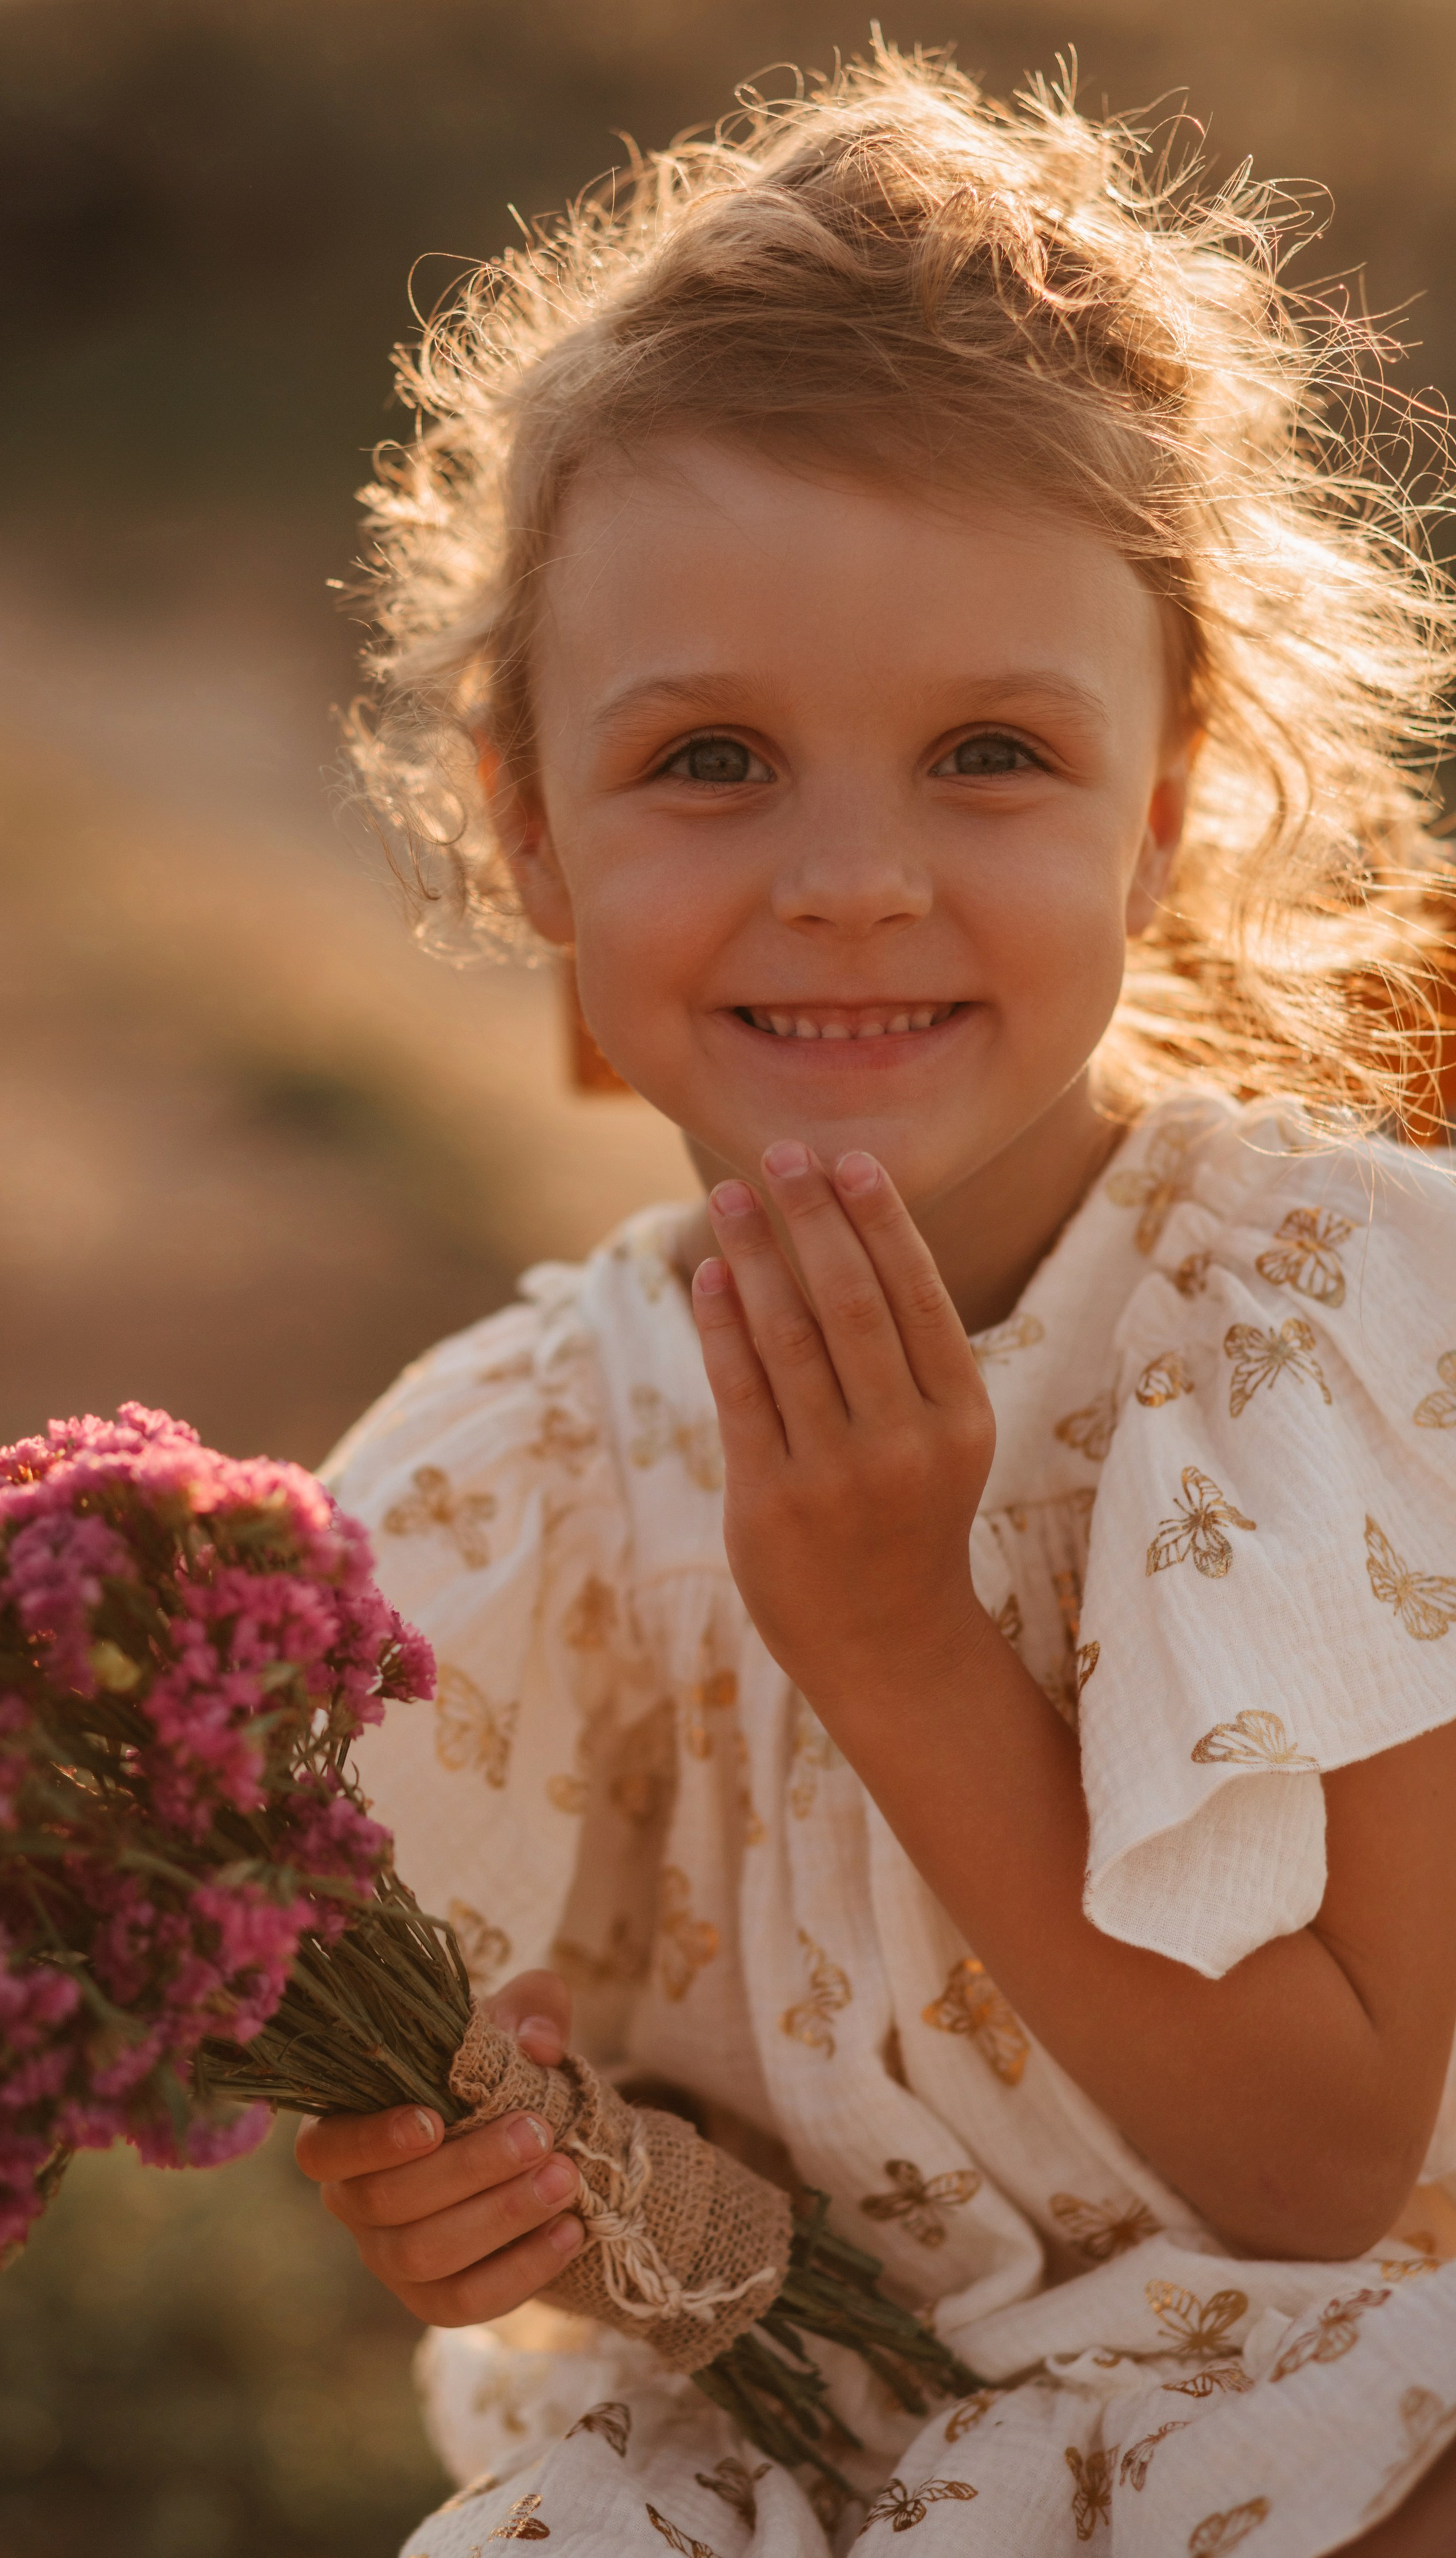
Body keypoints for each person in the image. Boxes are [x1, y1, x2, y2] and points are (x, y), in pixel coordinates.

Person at [296, 46, 1456, 2554]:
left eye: (987, 755)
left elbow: (1322, 2175)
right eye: (712, 759)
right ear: (530, 831)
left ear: (1161, 813)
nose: (848, 878)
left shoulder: (1317, 1325)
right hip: (791, 2450)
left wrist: (898, 1645)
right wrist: (449, 2182)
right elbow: (489, 2104)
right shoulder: (522, 1473)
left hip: (1337, 2394)